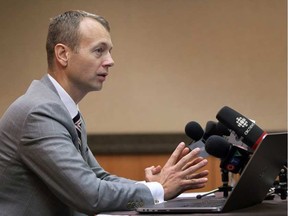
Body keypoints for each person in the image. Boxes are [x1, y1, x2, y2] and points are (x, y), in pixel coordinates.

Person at [0, 10, 209, 215]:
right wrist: (159, 189)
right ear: (63, 54)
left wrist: (151, 186)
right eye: (99, 50)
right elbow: (90, 194)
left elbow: (97, 177)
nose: (110, 61)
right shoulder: (40, 113)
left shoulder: (60, 107)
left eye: (109, 51)